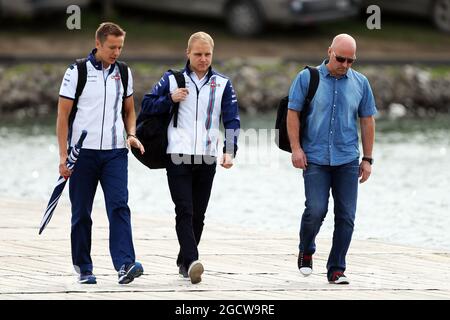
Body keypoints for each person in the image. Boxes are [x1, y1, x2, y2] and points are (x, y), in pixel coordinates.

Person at [139, 31, 240, 284]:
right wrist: (169, 99)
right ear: (188, 53)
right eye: (198, 54)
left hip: (207, 157)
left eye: (207, 54)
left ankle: (185, 261)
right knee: (184, 209)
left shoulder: (223, 83)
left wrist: (229, 150)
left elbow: (232, 120)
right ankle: (194, 260)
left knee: (198, 214)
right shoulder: (172, 79)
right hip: (177, 154)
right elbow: (147, 106)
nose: (203, 59)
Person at [57, 22, 145, 284]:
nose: (116, 52)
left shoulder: (124, 73)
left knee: (119, 206)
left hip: (115, 153)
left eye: (120, 47)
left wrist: (131, 134)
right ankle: (84, 267)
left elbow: (129, 111)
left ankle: (125, 265)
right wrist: (63, 157)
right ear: (98, 44)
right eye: (111, 47)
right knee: (82, 212)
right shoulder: (77, 72)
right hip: (82, 154)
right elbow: (62, 117)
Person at [287, 34, 377, 284]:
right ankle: (306, 249)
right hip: (314, 157)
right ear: (329, 52)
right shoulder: (307, 78)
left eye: (351, 61)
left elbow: (367, 121)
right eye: (341, 59)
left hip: (347, 159)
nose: (345, 65)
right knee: (316, 210)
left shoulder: (361, 83)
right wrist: (296, 149)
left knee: (346, 215)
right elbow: (292, 113)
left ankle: (336, 268)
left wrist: (368, 159)